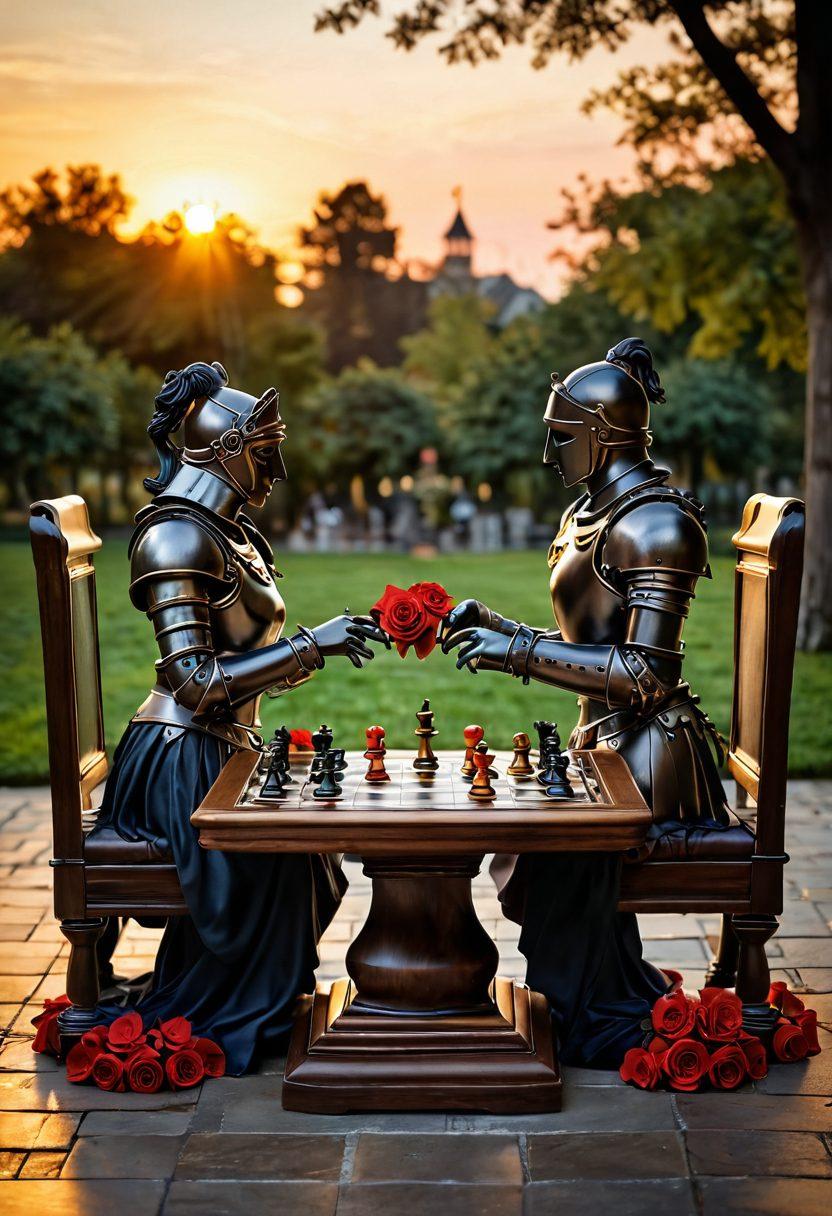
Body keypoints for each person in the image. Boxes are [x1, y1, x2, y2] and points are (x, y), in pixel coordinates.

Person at [441, 338, 739, 1068]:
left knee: (554, 848)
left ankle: (596, 1007)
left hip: (648, 753)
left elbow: (643, 675)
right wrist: (505, 627)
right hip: (604, 743)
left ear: (604, 436)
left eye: (562, 437)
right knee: (535, 831)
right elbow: (594, 635)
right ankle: (592, 989)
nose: (551, 455)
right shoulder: (598, 511)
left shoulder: (655, 524)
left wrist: (517, 655)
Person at [89, 361, 387, 1074]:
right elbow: (193, 683)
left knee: (309, 850)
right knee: (283, 856)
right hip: (180, 759)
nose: (278, 468)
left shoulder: (226, 530)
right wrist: (310, 647)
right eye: (265, 450)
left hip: (222, 745)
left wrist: (309, 648)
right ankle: (238, 1001)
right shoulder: (178, 539)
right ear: (223, 452)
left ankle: (262, 992)